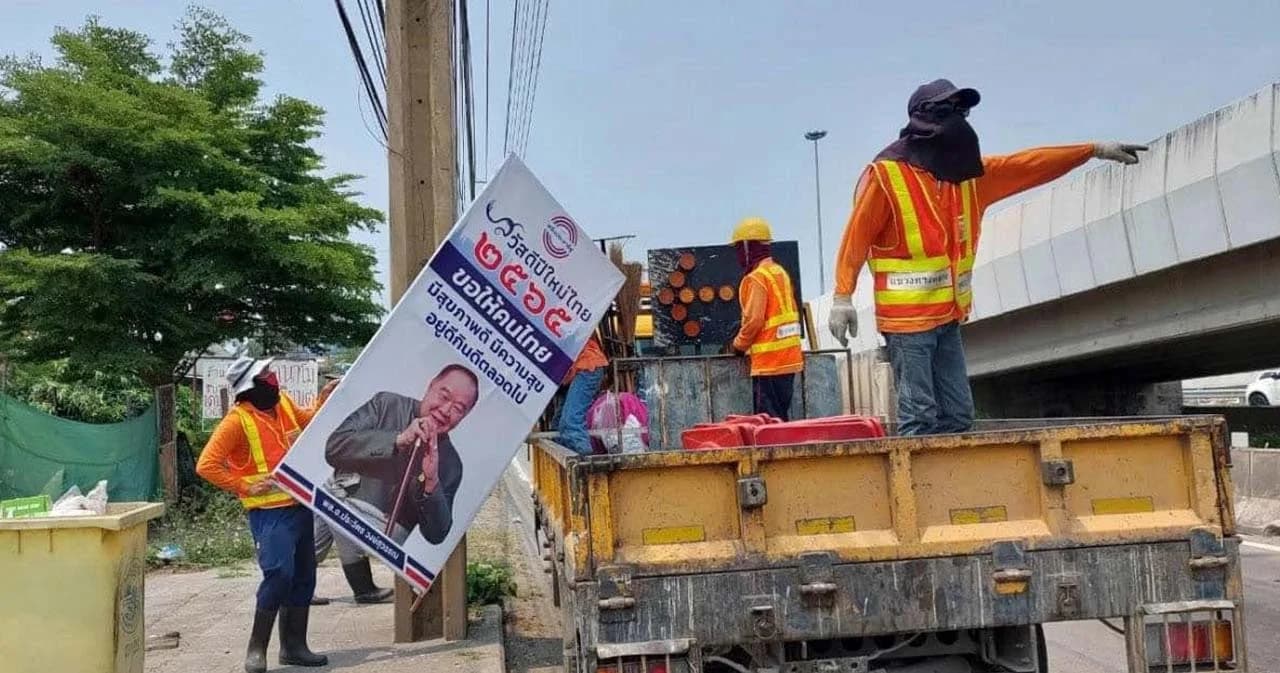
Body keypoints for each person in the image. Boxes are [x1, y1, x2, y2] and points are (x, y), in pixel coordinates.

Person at [827, 78, 1147, 436]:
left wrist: (1093, 150)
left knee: (959, 416)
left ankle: (950, 472)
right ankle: (913, 474)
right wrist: (842, 296)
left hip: (948, 318)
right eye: (948, 112)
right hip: (907, 324)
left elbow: (1029, 165)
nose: (959, 123)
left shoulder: (970, 177)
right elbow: (856, 236)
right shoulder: (887, 176)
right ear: (922, 120)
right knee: (919, 416)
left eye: (961, 113)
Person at [196, 357, 337, 673]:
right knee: (279, 574)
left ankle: (294, 647)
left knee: (304, 576)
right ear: (251, 386)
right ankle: (256, 649)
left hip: (301, 505)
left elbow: (307, 421)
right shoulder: (237, 422)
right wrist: (245, 485)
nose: (273, 378)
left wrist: (322, 399)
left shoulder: (283, 402)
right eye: (266, 375)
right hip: (270, 515)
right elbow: (206, 465)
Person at [324, 364, 480, 546]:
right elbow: (334, 447)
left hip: (382, 536)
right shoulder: (387, 404)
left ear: (465, 416)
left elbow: (437, 535)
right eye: (444, 396)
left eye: (458, 408)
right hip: (335, 499)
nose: (445, 411)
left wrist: (432, 483)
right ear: (431, 385)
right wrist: (398, 439)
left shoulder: (451, 464)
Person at [726, 217, 805, 421]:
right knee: (779, 418)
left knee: (768, 422)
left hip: (769, 363)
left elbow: (754, 320)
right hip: (789, 359)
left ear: (747, 247)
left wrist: (738, 345)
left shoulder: (757, 278)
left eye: (739, 248)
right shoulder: (779, 272)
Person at [557, 335, 608, 455]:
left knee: (571, 422)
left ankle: (585, 459)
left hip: (587, 366)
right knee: (558, 423)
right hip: (581, 367)